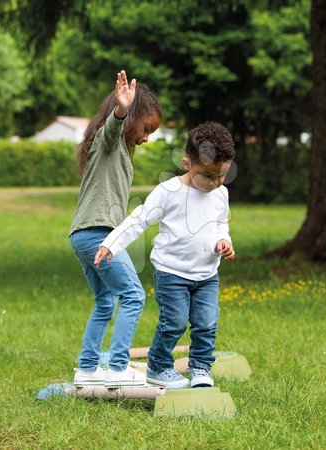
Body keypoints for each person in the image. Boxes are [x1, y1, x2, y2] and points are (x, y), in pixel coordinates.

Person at [95, 121, 236, 388]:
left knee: (206, 325)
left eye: (222, 176)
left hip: (207, 274)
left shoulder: (220, 194)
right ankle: (159, 368)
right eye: (208, 176)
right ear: (186, 163)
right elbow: (139, 220)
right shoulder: (169, 192)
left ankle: (200, 369)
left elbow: (221, 224)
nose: (216, 183)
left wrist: (223, 240)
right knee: (174, 322)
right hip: (172, 273)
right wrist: (111, 243)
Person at [69, 70, 162, 387]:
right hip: (97, 234)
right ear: (130, 118)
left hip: (82, 234)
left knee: (106, 301)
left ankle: (88, 367)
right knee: (134, 296)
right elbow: (113, 130)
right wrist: (121, 109)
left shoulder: (116, 148)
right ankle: (118, 368)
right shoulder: (108, 142)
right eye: (146, 128)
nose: (147, 137)